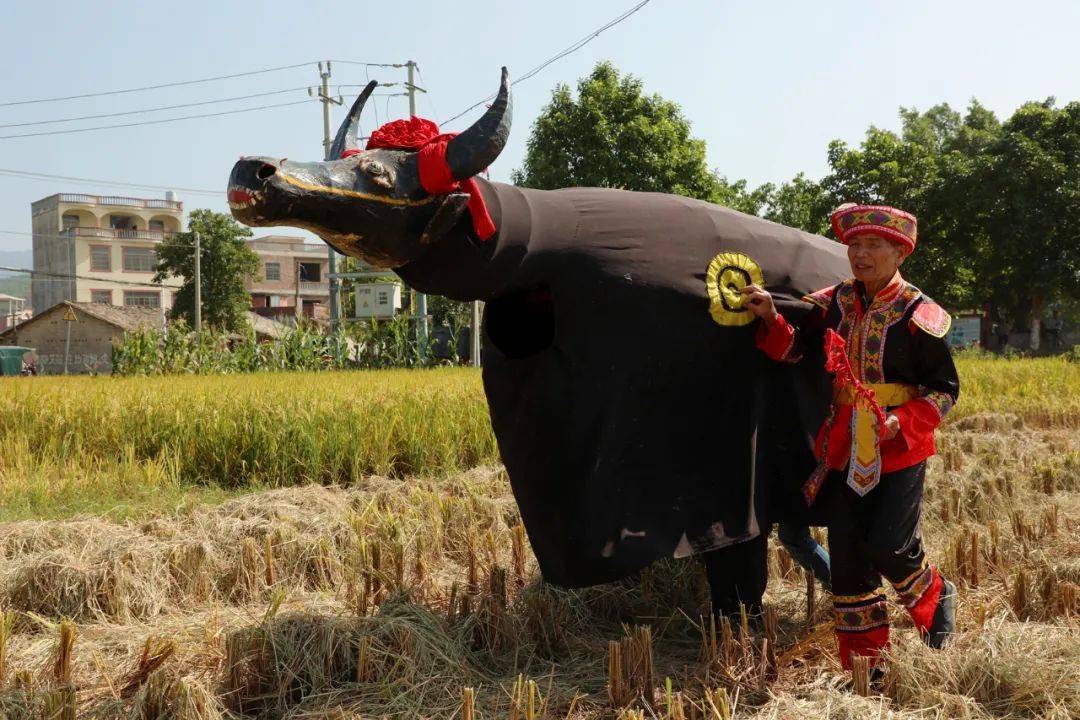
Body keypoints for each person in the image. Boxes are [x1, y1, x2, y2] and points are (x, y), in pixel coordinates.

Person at [741, 203, 959, 673]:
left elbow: (945, 390)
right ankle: (866, 666)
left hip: (898, 446)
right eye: (855, 245)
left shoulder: (921, 315)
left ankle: (936, 594)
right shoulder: (831, 303)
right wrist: (768, 317)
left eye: (874, 246)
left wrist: (902, 421)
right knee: (847, 559)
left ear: (900, 253)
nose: (861, 254)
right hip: (842, 444)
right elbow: (797, 349)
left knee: (889, 545)